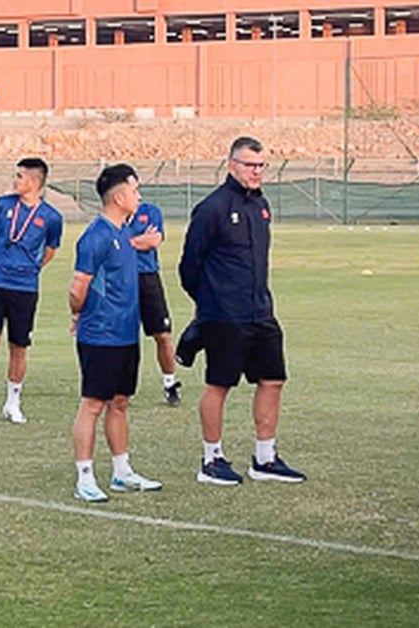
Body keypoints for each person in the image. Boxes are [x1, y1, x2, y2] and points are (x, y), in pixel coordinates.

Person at [180, 136, 304, 486]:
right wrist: (210, 304)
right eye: (250, 165)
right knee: (219, 384)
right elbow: (189, 266)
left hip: (261, 311)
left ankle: (264, 458)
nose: (257, 171)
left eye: (262, 165)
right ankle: (212, 459)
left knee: (273, 380)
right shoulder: (212, 208)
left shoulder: (261, 205)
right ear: (231, 164)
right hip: (224, 315)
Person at [68, 164, 163, 503]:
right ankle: (85, 478)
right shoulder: (95, 236)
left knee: (120, 403)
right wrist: (78, 314)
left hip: (126, 334)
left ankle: (122, 473)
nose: (139, 197)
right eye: (135, 191)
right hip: (100, 335)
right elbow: (78, 286)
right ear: (120, 197)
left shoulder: (123, 233)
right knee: (93, 404)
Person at [0, 158, 63, 426]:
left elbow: (50, 250)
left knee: (19, 347)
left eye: (20, 177)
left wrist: (31, 268)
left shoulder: (51, 217)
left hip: (24, 288)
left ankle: (13, 403)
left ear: (34, 182)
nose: (15, 181)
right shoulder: (2, 204)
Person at [129, 194, 183, 406]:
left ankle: (170, 383)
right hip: (121, 278)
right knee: (125, 335)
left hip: (148, 279)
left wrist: (126, 243)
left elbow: (154, 240)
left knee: (162, 334)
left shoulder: (150, 211)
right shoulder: (113, 216)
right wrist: (138, 241)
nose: (137, 194)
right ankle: (125, 386)